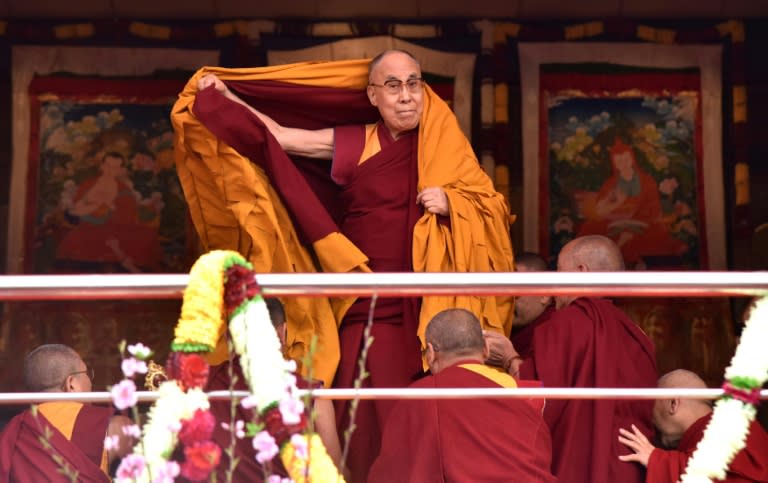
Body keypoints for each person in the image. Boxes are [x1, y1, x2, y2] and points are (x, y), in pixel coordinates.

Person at [179, 49, 514, 481]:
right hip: (365, 303)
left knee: (420, 416)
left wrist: (457, 203)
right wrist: (228, 99)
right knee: (358, 409)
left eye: (414, 83)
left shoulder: (444, 143)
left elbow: (495, 211)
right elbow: (279, 138)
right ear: (373, 95)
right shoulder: (360, 141)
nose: (407, 96)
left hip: (428, 304)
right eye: (393, 86)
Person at [488, 235, 657, 483]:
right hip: (627, 472)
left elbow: (536, 400)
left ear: (580, 272)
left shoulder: (567, 323)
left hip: (573, 469)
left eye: (558, 269)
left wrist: (509, 358)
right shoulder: (639, 337)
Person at [368, 308, 557, 483]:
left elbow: (391, 471)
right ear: (486, 349)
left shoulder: (422, 395)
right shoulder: (525, 392)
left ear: (431, 354)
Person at [206, 298, 345, 481]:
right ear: (283, 333)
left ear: (229, 338)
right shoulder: (313, 398)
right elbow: (335, 474)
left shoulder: (203, 385)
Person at [0, 344, 133, 482]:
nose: (90, 382)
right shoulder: (115, 427)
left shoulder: (12, 434)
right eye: (87, 374)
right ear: (71, 384)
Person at [619, 369, 768, 482]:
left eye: (653, 407)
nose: (652, 421)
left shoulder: (733, 424)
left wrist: (656, 459)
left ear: (673, 404)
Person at [576, 138, 686, 267]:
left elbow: (654, 209)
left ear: (632, 159)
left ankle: (627, 257)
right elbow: (600, 211)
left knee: (658, 235)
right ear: (614, 163)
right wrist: (617, 204)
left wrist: (636, 214)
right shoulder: (610, 184)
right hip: (613, 223)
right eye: (619, 160)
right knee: (589, 228)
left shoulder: (647, 181)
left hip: (642, 222)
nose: (623, 163)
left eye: (626, 158)